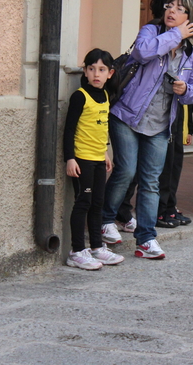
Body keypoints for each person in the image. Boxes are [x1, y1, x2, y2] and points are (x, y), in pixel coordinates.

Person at [101, 0, 193, 260]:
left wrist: (185, 90)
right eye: (169, 6)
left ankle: (146, 239)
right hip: (127, 115)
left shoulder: (191, 55)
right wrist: (174, 34)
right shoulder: (151, 31)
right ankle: (105, 219)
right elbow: (142, 52)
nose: (171, 10)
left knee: (151, 181)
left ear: (190, 18)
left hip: (159, 125)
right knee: (126, 170)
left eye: (179, 8)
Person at [62, 49, 125, 270]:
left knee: (98, 203)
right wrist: (70, 158)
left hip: (98, 158)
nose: (96, 74)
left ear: (110, 73)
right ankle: (77, 251)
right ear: (85, 71)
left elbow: (100, 127)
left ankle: (97, 247)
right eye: (91, 69)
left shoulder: (106, 95)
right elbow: (69, 129)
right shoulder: (80, 96)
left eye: (101, 70)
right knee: (83, 203)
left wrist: (105, 153)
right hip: (82, 159)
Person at [155, 104, 193, 228]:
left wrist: (190, 129)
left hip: (179, 124)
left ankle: (170, 207)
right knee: (165, 170)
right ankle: (160, 210)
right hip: (165, 122)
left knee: (175, 168)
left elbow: (189, 106)